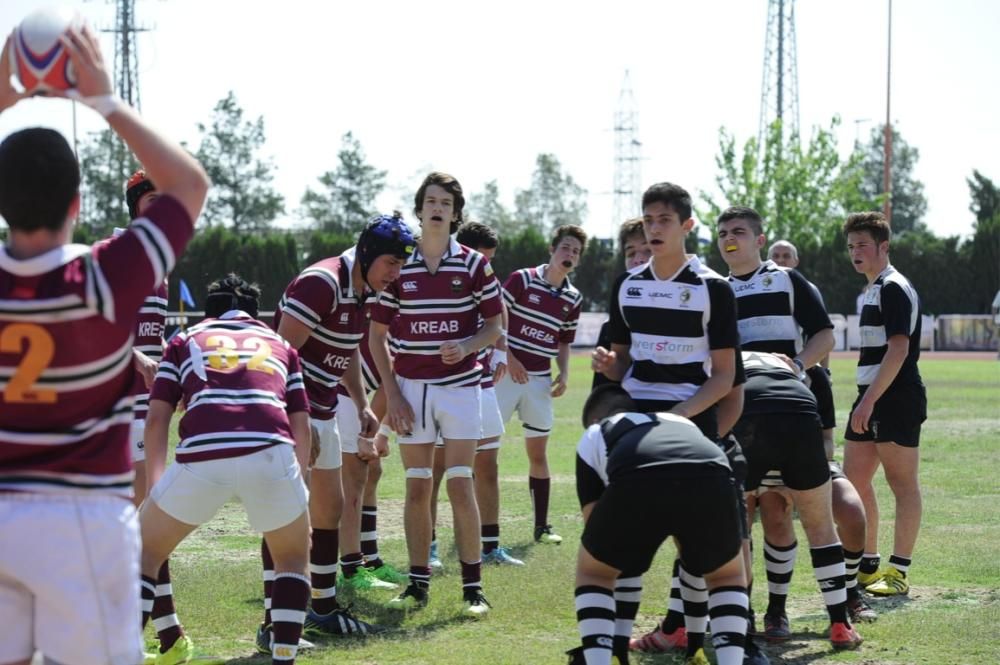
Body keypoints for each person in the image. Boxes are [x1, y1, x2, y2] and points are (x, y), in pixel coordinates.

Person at [0, 24, 208, 665]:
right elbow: (189, 186)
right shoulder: (105, 276)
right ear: (77, 201)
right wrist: (105, 102)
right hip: (83, 520)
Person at [591, 183, 739, 656]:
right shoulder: (627, 285)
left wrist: (675, 417)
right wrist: (607, 365)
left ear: (687, 227)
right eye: (648, 220)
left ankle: (698, 634)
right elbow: (622, 362)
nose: (654, 229)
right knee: (622, 535)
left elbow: (724, 377)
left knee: (698, 537)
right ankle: (613, 643)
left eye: (664, 221)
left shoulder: (713, 288)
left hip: (690, 420)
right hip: (635, 418)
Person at [140, 276, 312, 665]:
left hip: (204, 453)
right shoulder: (281, 344)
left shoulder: (185, 339)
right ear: (255, 315)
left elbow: (156, 419)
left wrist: (156, 487)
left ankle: (121, 653)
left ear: (208, 312)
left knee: (142, 552)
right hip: (272, 450)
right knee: (292, 560)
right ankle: (284, 656)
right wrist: (297, 486)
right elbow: (301, 421)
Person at [271, 213, 415, 636]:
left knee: (329, 508)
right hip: (292, 409)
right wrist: (298, 419)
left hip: (324, 406)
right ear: (368, 253)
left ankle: (322, 608)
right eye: (392, 262)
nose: (397, 273)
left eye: (402, 265)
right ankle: (273, 616)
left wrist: (361, 402)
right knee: (288, 510)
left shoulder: (361, 289)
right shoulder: (324, 282)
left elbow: (349, 348)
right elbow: (279, 355)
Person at [370, 172, 503, 615]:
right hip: (411, 389)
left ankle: (473, 589)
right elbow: (376, 336)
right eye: (430, 200)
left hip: (462, 388)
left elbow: (495, 326)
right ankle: (417, 584)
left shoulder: (473, 264)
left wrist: (466, 346)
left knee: (461, 486)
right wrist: (394, 396)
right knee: (416, 489)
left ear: (456, 212)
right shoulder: (400, 265)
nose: (437, 207)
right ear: (420, 208)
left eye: (445, 202)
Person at [717, 208, 837, 639]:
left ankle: (778, 611)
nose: (730, 239)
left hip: (788, 411)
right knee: (740, 515)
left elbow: (825, 334)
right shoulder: (715, 290)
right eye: (724, 233)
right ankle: (742, 614)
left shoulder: (786, 280)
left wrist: (801, 365)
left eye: (739, 232)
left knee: (780, 512)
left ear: (759, 239)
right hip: (740, 415)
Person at [568, 385, 748, 665]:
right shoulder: (679, 421)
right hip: (713, 468)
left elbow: (596, 531)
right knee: (725, 578)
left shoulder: (595, 432)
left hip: (640, 472)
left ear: (595, 420)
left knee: (597, 573)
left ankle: (603, 658)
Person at [721, 352, 863, 649]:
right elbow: (825, 443)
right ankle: (840, 624)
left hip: (748, 409)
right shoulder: (795, 365)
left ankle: (741, 616)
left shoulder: (725, 354)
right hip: (798, 410)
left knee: (738, 527)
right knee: (822, 529)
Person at [766, 238, 875, 622]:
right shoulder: (749, 372)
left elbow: (828, 443)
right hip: (765, 463)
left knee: (852, 511)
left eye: (786, 257)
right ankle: (774, 610)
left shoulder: (815, 377)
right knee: (774, 513)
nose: (779, 263)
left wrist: (804, 477)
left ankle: (848, 594)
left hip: (810, 464)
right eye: (774, 257)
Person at [428, 221, 522, 566]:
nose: (488, 266)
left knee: (488, 466)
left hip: (480, 382)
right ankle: (430, 549)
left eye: (492, 259)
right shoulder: (441, 276)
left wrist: (500, 351)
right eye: (484, 257)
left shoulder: (485, 277)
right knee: (436, 472)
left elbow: (500, 309)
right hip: (444, 385)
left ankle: (490, 546)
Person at [843, 212, 926, 596]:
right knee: (854, 482)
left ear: (883, 246)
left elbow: (899, 349)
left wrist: (869, 401)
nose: (855, 252)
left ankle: (899, 572)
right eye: (850, 246)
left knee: (901, 483)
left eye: (862, 244)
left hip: (895, 397)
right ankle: (868, 563)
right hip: (871, 395)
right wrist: (865, 399)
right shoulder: (872, 289)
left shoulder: (893, 286)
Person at [495, 224, 586, 545]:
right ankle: (479, 526)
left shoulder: (573, 298)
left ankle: (541, 527)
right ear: (552, 250)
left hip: (539, 382)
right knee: (484, 449)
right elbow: (495, 317)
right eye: (566, 248)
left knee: (538, 452)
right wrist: (510, 357)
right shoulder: (522, 278)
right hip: (505, 374)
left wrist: (563, 372)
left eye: (576, 251)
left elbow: (564, 341)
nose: (570, 254)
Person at [592, 218, 650, 390]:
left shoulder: (690, 313)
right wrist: (608, 366)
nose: (638, 259)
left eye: (648, 250)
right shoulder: (609, 329)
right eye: (631, 253)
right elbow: (603, 398)